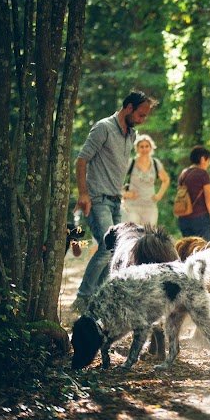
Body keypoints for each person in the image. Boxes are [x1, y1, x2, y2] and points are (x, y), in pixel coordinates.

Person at [72, 91, 156, 312]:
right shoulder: (104, 128)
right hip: (97, 198)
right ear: (128, 107)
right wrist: (83, 194)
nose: (143, 119)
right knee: (108, 247)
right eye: (141, 114)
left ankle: (98, 301)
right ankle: (82, 299)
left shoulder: (131, 134)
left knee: (117, 251)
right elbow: (81, 160)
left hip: (116, 200)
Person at [121, 134, 171, 225]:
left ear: (151, 147)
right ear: (137, 148)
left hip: (150, 206)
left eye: (147, 146)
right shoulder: (131, 163)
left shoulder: (156, 163)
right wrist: (124, 193)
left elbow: (166, 180)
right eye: (141, 147)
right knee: (133, 231)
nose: (144, 149)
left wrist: (159, 195)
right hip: (132, 206)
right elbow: (116, 179)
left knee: (149, 232)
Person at [176, 145, 210, 242]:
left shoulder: (183, 174)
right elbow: (209, 200)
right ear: (203, 159)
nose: (208, 164)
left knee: (188, 248)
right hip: (200, 219)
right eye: (208, 161)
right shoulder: (203, 174)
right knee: (204, 248)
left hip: (183, 218)